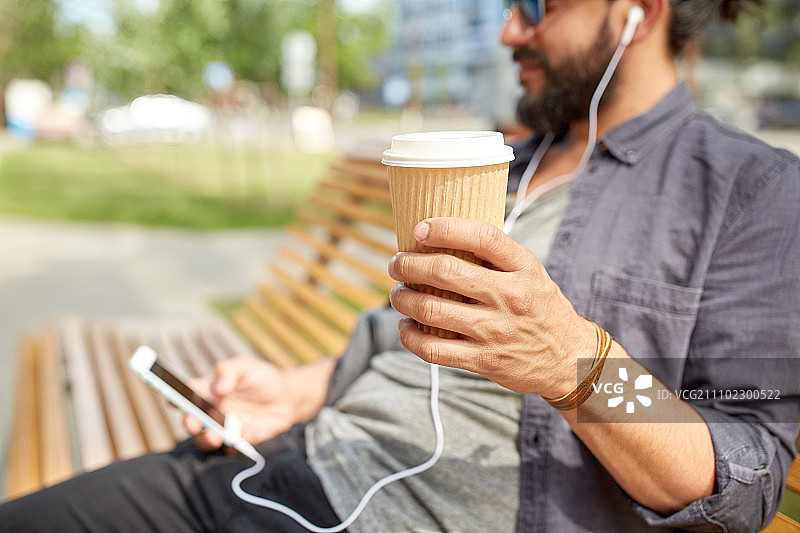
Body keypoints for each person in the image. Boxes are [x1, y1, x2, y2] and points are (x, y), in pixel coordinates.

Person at [2, 0, 799, 531]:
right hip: (284, 463)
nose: (507, 33)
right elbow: (406, 327)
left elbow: (748, 469)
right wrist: (295, 388)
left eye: (534, 4)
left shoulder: (750, 192)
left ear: (638, 11)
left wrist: (578, 364)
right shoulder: (506, 165)